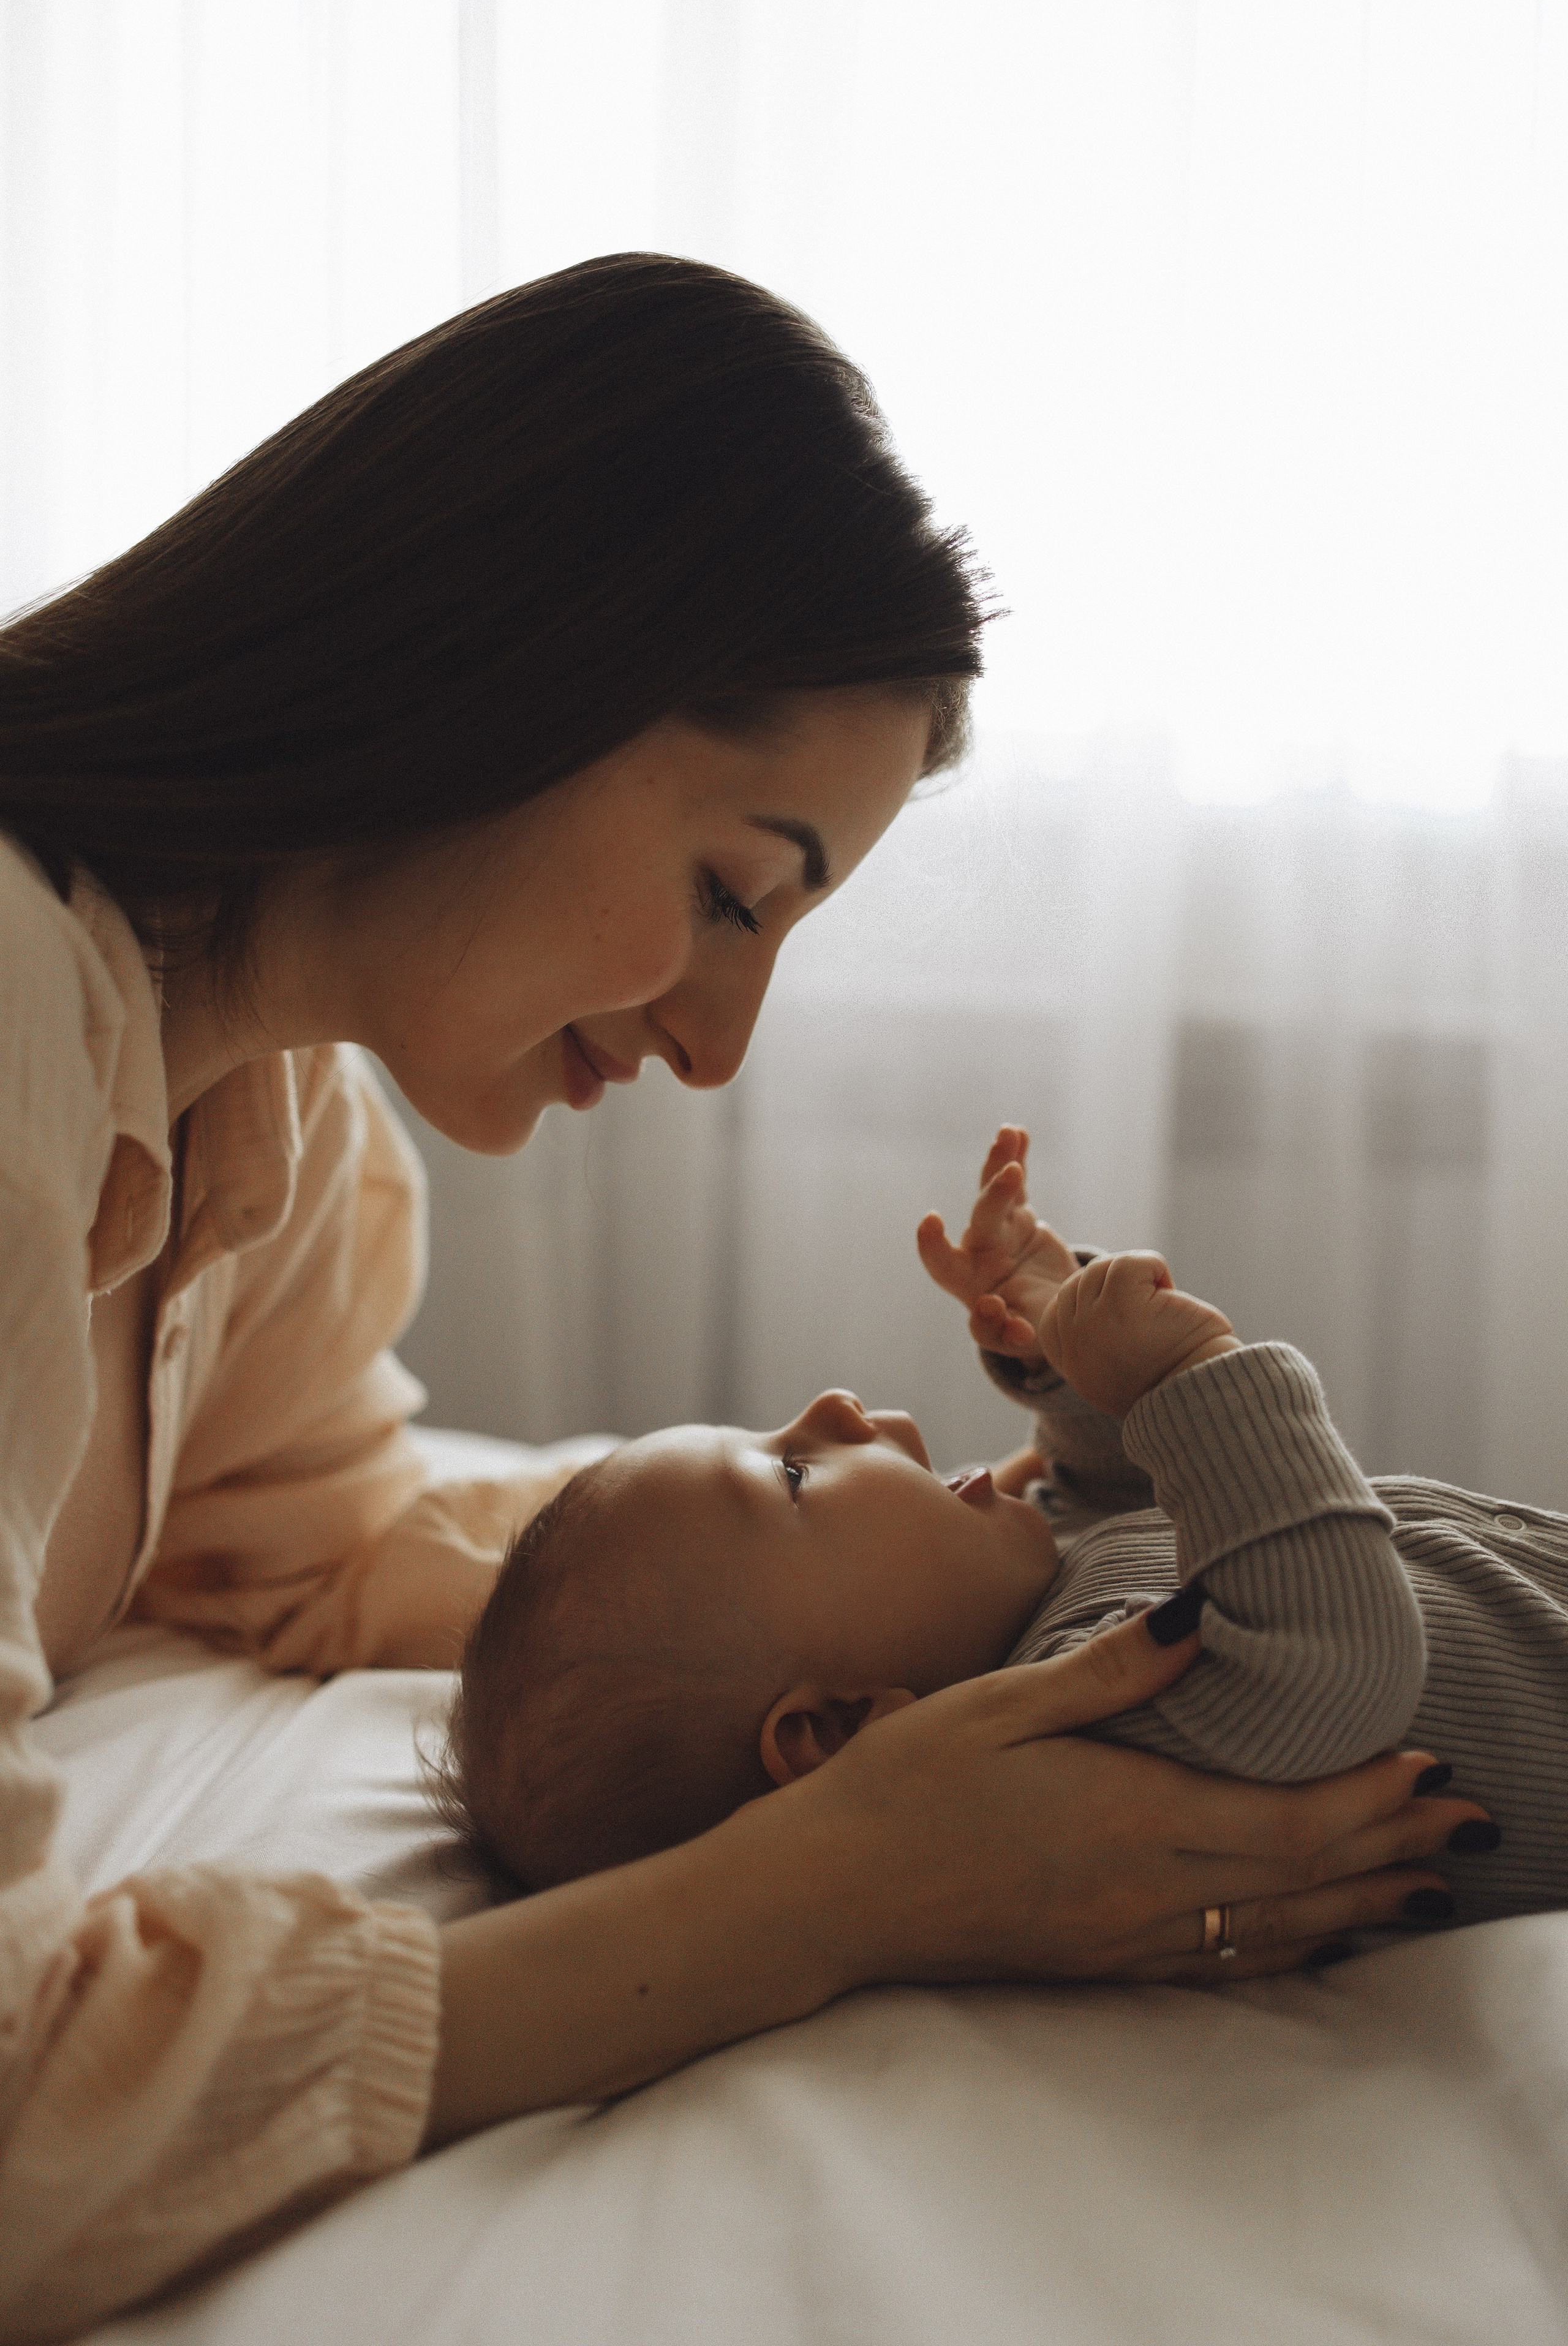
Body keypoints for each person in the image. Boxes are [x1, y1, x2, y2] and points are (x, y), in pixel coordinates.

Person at [0, 256, 1479, 2338]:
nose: (716, 1043)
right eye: (734, 894)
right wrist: (840, 1880)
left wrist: (933, 1614)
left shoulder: (278, 1138)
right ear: (504, 662)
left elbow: (319, 1544)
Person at [441, 1128, 1523, 1923]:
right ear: (827, 1729)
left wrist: (1068, 1368)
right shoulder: (1076, 1743)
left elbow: (1130, 1511)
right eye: (790, 1475)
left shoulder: (1050, 1604)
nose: (835, 1409)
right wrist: (1188, 1383)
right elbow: (1336, 1661)